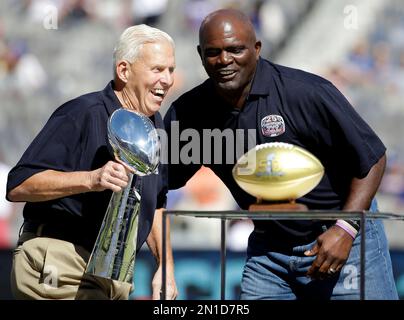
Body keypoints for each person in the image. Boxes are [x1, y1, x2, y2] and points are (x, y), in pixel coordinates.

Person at [164, 9, 398, 300]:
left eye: (235, 49)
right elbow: (164, 179)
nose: (224, 60)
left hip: (342, 237)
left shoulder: (304, 93)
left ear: (257, 49)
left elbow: (373, 159)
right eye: (214, 52)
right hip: (269, 252)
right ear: (200, 54)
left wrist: (346, 228)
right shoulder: (190, 113)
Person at [6, 24, 178, 300]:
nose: (167, 79)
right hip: (61, 262)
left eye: (170, 69)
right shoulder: (83, 113)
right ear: (124, 71)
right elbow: (19, 185)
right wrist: (91, 179)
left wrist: (166, 266)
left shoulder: (157, 132)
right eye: (157, 69)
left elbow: (156, 204)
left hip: (114, 275)